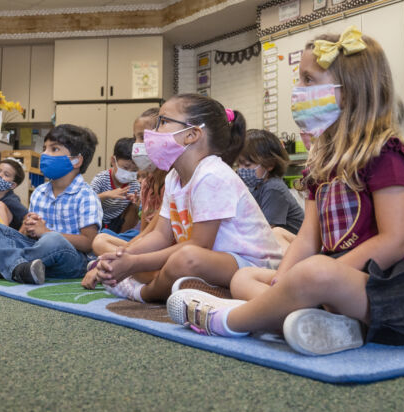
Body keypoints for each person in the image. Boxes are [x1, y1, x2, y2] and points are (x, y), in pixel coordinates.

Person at [167, 27, 404, 356]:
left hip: (393, 295)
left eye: (308, 80)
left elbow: (394, 241)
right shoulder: (320, 164)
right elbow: (309, 238)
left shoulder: (386, 153)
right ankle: (320, 322)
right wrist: (283, 278)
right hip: (332, 288)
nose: (299, 90)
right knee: (245, 278)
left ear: (349, 90)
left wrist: (325, 274)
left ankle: (232, 320)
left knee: (314, 272)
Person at [93, 94, 283, 303]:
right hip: (214, 262)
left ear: (192, 134)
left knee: (185, 258)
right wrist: (121, 257)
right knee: (163, 258)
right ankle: (204, 289)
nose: (152, 132)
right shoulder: (175, 177)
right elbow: (160, 235)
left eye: (163, 122)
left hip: (252, 266)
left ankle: (142, 293)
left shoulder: (211, 174)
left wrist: (134, 263)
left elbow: (200, 245)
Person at [0, 124, 103, 284]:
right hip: (37, 250)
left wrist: (46, 231)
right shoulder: (39, 192)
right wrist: (28, 228)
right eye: (45, 148)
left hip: (72, 260)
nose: (44, 154)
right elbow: (29, 235)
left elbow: (89, 243)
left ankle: (4, 265)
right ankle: (22, 269)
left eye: (54, 149)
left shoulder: (86, 196)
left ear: (76, 160)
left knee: (52, 240)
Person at [82, 108, 165, 289]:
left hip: (163, 248)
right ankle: (126, 269)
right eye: (136, 138)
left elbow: (156, 235)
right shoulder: (146, 184)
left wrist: (110, 260)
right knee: (100, 240)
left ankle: (123, 270)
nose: (137, 144)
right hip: (142, 243)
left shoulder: (170, 181)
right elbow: (143, 232)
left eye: (143, 137)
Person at [237, 129, 304, 235]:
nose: (241, 170)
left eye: (247, 165)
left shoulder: (274, 188)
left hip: (293, 245)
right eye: (239, 165)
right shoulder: (254, 187)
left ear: (270, 164)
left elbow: (265, 232)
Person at [90, 137, 140, 235]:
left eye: (134, 170)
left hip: (118, 222)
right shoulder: (101, 179)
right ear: (113, 161)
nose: (129, 173)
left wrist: (137, 201)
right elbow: (87, 200)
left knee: (134, 207)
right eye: (125, 167)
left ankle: (122, 237)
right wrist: (106, 195)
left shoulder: (134, 184)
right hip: (99, 220)